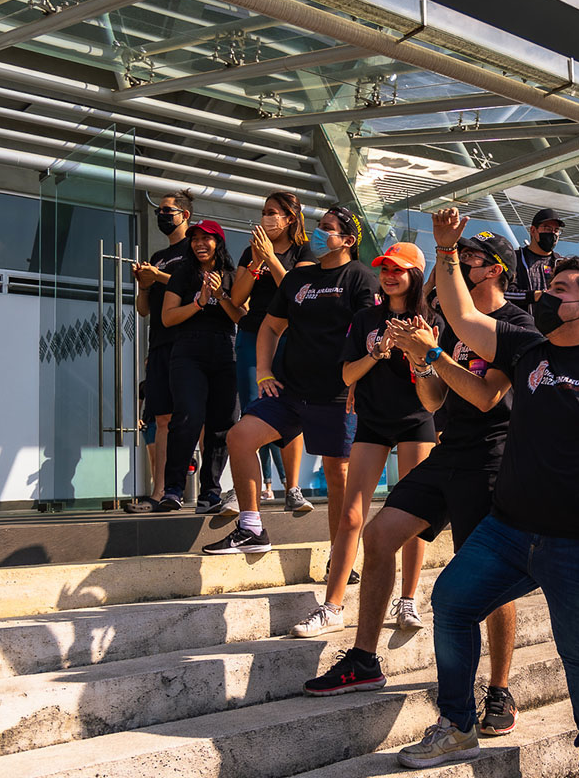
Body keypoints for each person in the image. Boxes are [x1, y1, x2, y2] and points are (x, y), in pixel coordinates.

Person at [394, 208, 579, 777]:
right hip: (509, 529)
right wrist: (445, 250)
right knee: (452, 602)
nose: (547, 293)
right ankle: (458, 725)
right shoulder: (526, 350)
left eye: (561, 289)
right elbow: (462, 315)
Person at [303, 231, 532, 741]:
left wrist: (437, 356)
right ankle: (364, 658)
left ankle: (498, 688)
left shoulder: (515, 326)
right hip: (449, 453)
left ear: (492, 269)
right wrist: (420, 358)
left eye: (466, 260)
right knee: (380, 537)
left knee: (488, 575)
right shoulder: (449, 325)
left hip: (492, 460)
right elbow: (432, 402)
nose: (453, 271)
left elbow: (485, 399)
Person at [207, 207, 377, 556]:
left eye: (327, 229)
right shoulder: (299, 279)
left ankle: (340, 557)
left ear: (348, 240)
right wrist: (264, 371)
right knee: (240, 437)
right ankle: (252, 528)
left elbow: (369, 334)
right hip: (290, 389)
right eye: (318, 226)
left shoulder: (360, 277)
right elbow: (270, 326)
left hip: (337, 394)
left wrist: (361, 384)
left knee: (337, 475)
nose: (318, 233)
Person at [288, 242, 436, 637]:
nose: (389, 275)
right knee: (351, 514)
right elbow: (347, 376)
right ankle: (332, 605)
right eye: (384, 268)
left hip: (417, 422)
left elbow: (438, 387)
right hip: (372, 421)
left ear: (416, 275)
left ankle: (407, 600)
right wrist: (378, 350)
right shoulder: (366, 317)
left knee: (414, 518)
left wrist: (418, 352)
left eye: (398, 270)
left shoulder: (432, 319)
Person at [229, 191, 316, 513]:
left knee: (288, 409)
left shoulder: (305, 251)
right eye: (264, 212)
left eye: (272, 212)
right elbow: (237, 298)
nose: (266, 218)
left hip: (290, 337)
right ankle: (249, 489)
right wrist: (254, 262)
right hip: (252, 334)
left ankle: (292, 487)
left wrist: (271, 258)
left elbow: (297, 292)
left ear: (290, 218)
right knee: (253, 409)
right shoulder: (251, 251)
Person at [157, 220, 244, 512]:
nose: (199, 244)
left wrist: (220, 296)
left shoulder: (232, 276)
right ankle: (173, 490)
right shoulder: (181, 274)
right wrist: (198, 302)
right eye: (194, 239)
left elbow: (241, 317)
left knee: (223, 424)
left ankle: (211, 492)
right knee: (187, 418)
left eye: (206, 239)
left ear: (218, 242)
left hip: (225, 350)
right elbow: (167, 318)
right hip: (187, 351)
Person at [128, 190, 192, 512]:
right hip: (159, 343)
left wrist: (161, 277)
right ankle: (160, 491)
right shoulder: (156, 256)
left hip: (188, 343)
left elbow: (198, 288)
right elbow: (143, 310)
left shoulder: (194, 249)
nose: (162, 216)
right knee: (162, 419)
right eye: (159, 211)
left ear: (185, 215)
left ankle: (204, 489)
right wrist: (144, 285)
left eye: (168, 210)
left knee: (194, 417)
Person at [506, 207, 564, 313]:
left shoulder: (561, 263)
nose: (553, 234)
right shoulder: (515, 258)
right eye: (547, 229)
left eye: (556, 231)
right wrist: (535, 296)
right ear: (533, 230)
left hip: (551, 326)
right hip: (520, 324)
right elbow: (505, 293)